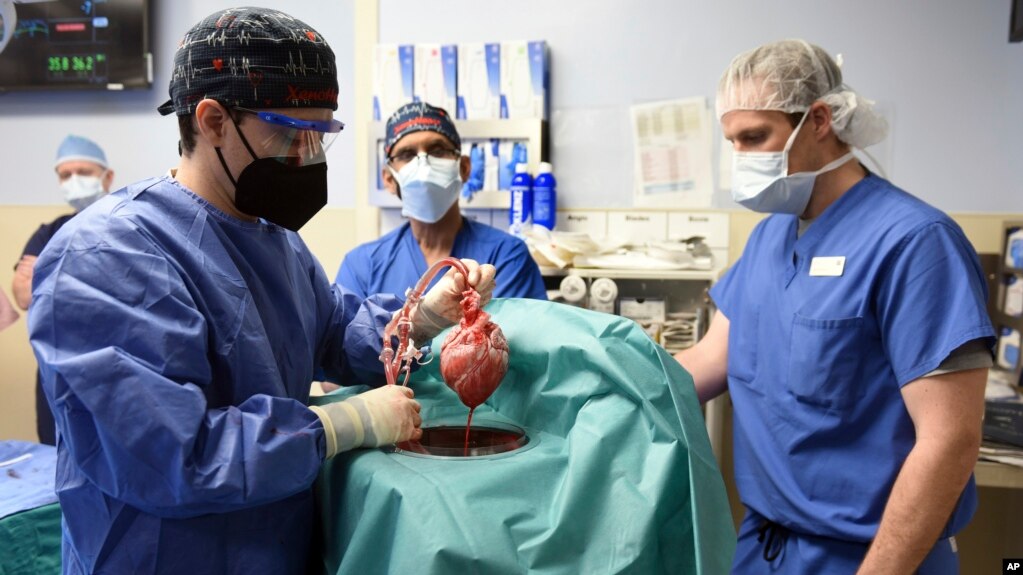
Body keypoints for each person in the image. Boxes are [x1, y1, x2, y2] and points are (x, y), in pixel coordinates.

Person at [28, 8, 494, 574]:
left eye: (321, 136)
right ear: (213, 120)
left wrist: (420, 319)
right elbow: (170, 455)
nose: (307, 158)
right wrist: (344, 423)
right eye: (291, 134)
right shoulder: (105, 258)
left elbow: (336, 331)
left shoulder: (274, 241)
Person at [675, 39, 994, 574]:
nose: (741, 159)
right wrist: (570, 365)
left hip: (873, 556)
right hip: (765, 547)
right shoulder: (769, 241)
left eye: (755, 137)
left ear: (819, 119)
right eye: (732, 141)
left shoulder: (916, 243)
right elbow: (702, 365)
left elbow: (950, 441)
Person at [336, 101, 547, 301]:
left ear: (464, 168)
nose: (424, 165)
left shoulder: (506, 257)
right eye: (407, 154)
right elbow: (350, 337)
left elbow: (514, 335)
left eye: (437, 150)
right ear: (389, 179)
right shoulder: (363, 265)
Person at [12, 134, 115, 445]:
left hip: (115, 367)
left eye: (83, 173)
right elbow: (25, 295)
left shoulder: (128, 223)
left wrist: (50, 275)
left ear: (107, 177)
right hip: (56, 369)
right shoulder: (50, 231)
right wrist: (90, 278)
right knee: (57, 454)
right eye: (66, 175)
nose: (74, 181)